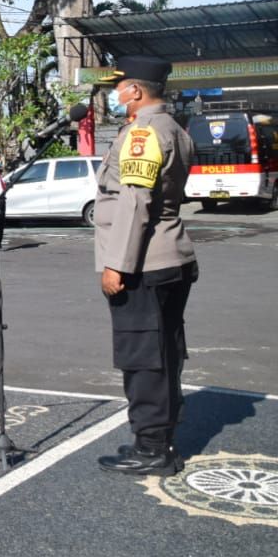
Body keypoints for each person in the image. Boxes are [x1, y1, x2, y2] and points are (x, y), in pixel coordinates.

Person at [94, 56, 197, 476]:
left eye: (119, 88)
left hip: (144, 263)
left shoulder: (142, 133)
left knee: (143, 358)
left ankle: (152, 448)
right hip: (171, 257)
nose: (116, 95)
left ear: (136, 91)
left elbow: (135, 202)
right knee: (165, 353)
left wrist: (117, 264)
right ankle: (161, 436)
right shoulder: (174, 128)